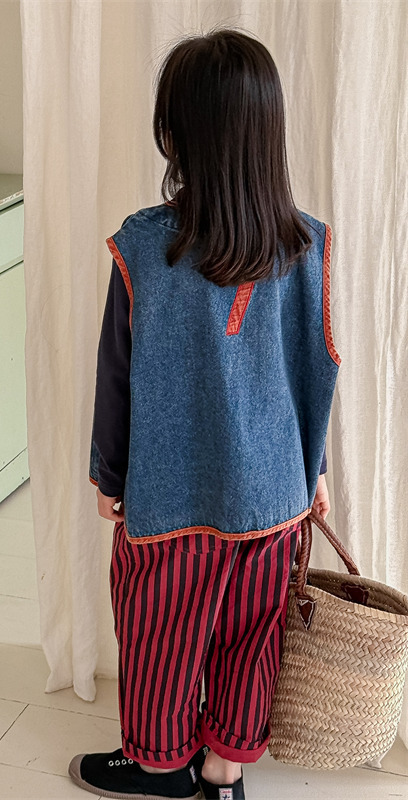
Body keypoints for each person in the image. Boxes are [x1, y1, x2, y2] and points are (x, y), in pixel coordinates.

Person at [67, 29, 341, 800]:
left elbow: (116, 375)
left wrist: (110, 474)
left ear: (173, 134)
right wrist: (315, 469)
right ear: (268, 133)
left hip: (169, 494)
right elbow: (315, 372)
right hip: (274, 497)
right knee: (254, 636)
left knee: (159, 633)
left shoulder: (143, 249)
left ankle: (160, 765)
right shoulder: (308, 247)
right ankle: (225, 772)